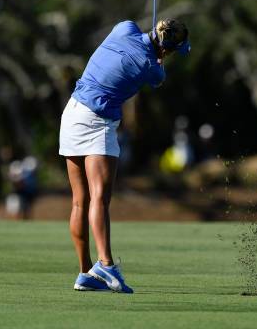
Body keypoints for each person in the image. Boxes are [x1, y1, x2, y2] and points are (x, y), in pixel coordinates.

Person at [59, 18, 190, 293]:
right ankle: (105, 265)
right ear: (167, 50)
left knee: (79, 201)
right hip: (97, 120)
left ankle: (85, 273)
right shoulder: (152, 69)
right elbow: (157, 76)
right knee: (99, 198)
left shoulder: (124, 27)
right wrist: (159, 57)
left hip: (71, 112)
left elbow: (136, 38)